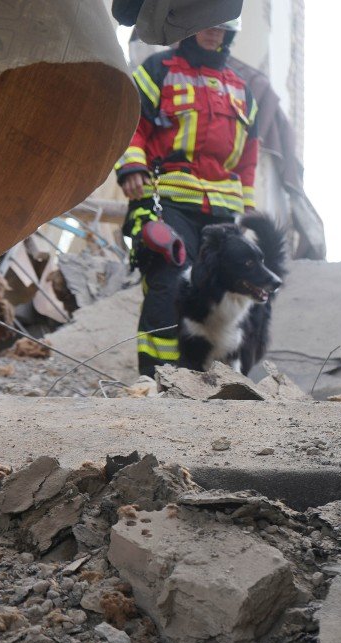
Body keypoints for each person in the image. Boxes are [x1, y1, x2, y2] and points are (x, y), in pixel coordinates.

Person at [115, 19, 260, 377]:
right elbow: (130, 121)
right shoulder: (158, 70)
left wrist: (249, 209)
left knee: (227, 297)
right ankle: (159, 379)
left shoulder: (241, 88)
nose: (213, 32)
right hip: (169, 203)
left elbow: (248, 157)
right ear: (190, 24)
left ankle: (219, 380)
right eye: (207, 24)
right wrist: (131, 166)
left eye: (221, 27)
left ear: (230, 33)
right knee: (168, 287)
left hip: (224, 213)